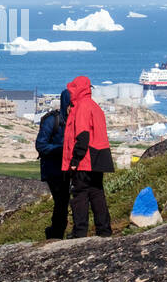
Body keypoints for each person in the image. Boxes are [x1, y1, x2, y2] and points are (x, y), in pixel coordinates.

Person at [61, 75, 114, 237]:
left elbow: (83, 136)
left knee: (79, 195)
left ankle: (80, 231)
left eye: (72, 89)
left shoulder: (82, 107)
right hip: (99, 158)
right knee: (97, 193)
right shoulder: (94, 106)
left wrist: (75, 161)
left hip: (86, 160)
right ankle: (104, 230)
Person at [34, 87, 72, 239]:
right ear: (65, 104)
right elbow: (40, 145)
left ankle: (56, 232)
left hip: (67, 167)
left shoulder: (73, 120)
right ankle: (56, 232)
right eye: (70, 105)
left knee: (64, 201)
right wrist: (62, 149)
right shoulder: (52, 120)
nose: (72, 109)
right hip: (53, 168)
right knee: (61, 201)